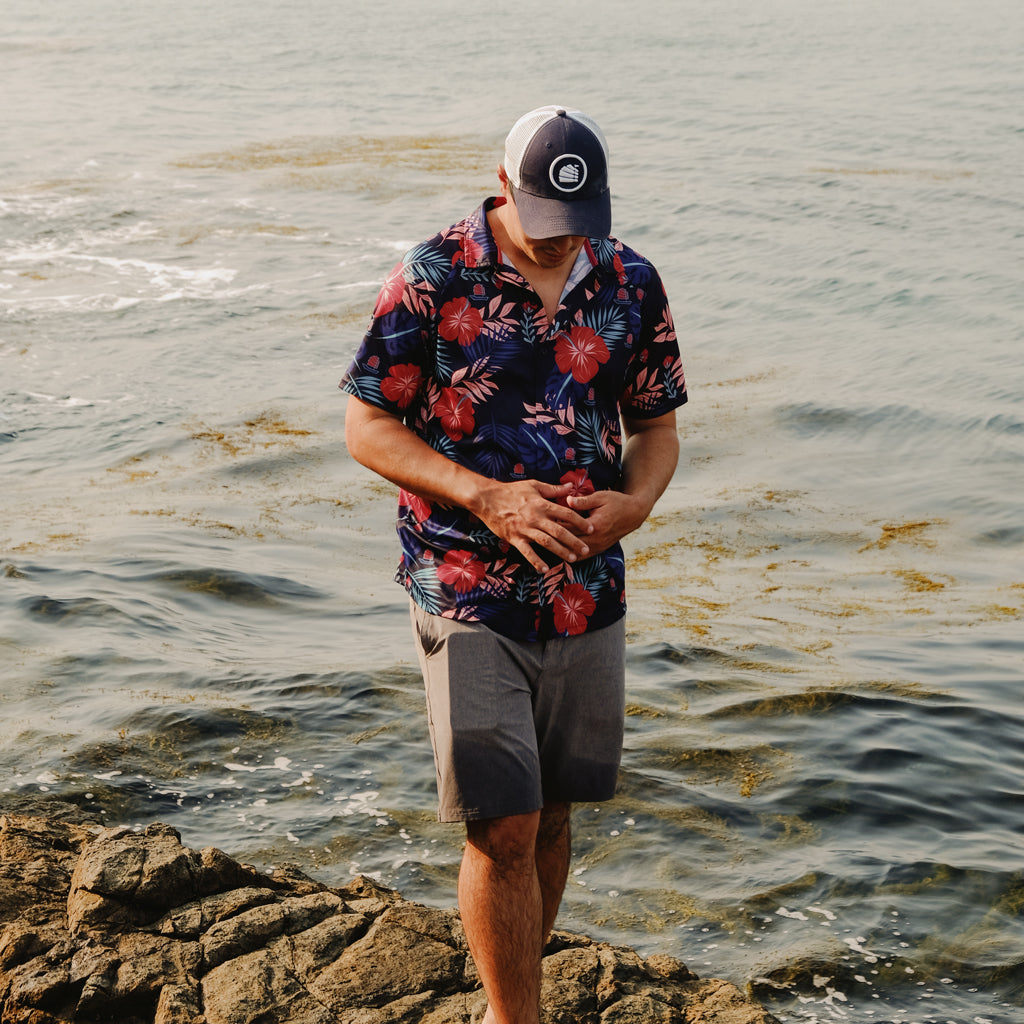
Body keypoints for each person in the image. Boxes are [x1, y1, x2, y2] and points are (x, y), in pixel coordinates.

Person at [340, 104, 686, 1024]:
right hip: (464, 586)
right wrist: (482, 494)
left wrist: (638, 504)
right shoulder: (433, 276)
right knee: (506, 824)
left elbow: (655, 428)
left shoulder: (629, 281)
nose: (557, 248)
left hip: (587, 590)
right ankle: (512, 1018)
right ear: (504, 191)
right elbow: (366, 426)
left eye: (576, 230)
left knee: (560, 811)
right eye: (542, 229)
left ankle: (514, 999)